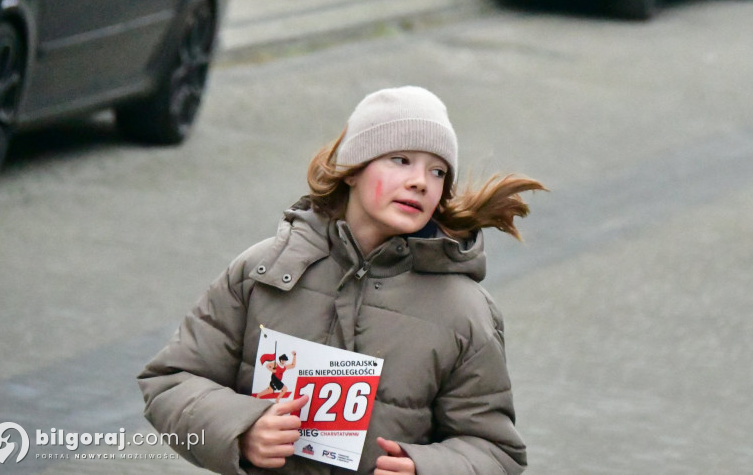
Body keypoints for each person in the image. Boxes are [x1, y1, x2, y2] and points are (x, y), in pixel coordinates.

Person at [138, 86, 545, 474]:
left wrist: (426, 468)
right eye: (400, 160)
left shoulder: (466, 312)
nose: (421, 180)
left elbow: (496, 451)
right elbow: (170, 383)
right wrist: (242, 431)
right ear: (353, 171)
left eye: (437, 171)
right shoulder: (261, 271)